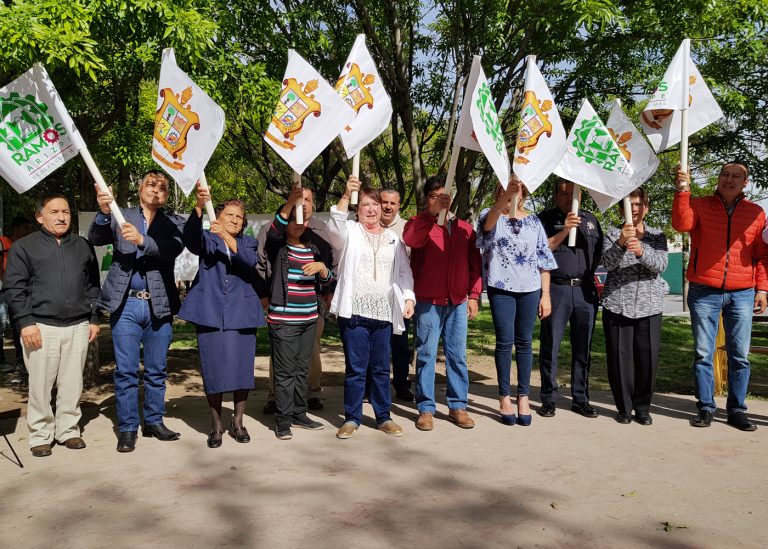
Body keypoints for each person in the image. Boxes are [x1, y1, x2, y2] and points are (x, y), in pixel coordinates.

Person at [89, 170, 185, 452]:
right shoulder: (123, 215)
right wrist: (105, 211)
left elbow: (172, 250)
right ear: (139, 188)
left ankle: (154, 421)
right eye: (150, 184)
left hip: (160, 303)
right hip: (126, 303)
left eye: (162, 186)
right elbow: (95, 237)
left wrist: (143, 241)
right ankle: (128, 427)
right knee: (126, 371)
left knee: (157, 369)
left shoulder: (172, 221)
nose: (156, 189)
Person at [3, 194, 100, 457]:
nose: (61, 217)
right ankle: (40, 434)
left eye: (66, 212)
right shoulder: (25, 247)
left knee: (72, 383)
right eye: (54, 211)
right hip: (40, 327)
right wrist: (25, 323)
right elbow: (14, 288)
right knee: (41, 384)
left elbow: (93, 285)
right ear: (40, 217)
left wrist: (93, 319)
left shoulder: (82, 246)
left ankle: (68, 430)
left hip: (78, 326)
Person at [674, 162, 767, 431]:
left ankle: (737, 410)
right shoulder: (700, 205)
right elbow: (681, 224)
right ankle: (705, 407)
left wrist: (762, 289)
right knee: (703, 352)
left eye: (736, 176)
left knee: (740, 355)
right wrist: (682, 192)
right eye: (725, 175)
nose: (729, 180)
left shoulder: (756, 214)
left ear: (745, 182)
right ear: (718, 178)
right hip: (704, 291)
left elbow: (762, 255)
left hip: (742, 292)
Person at [326, 176, 415, 439]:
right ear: (358, 208)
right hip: (354, 311)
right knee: (356, 368)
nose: (372, 209)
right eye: (366, 204)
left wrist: (408, 298)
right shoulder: (350, 232)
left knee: (380, 368)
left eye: (375, 204)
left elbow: (404, 272)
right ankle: (352, 418)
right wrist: (345, 195)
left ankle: (384, 417)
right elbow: (334, 228)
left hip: (384, 312)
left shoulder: (392, 239)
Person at [178, 185, 265, 448]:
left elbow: (249, 261)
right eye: (229, 215)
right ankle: (216, 424)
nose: (234, 220)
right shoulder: (208, 238)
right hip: (210, 313)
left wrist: (227, 236)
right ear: (218, 216)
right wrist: (197, 206)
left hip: (242, 313)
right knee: (213, 370)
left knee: (241, 370)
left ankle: (237, 422)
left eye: (239, 217)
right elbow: (191, 239)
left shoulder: (247, 242)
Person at [403, 176, 482, 431]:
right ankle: (426, 408)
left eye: (445, 196)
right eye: (436, 196)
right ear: (428, 199)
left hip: (457, 300)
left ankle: (458, 405)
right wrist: (431, 215)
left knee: (457, 356)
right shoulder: (418, 223)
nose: (442, 200)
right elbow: (411, 240)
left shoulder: (464, 229)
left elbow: (474, 265)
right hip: (429, 301)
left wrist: (474, 295)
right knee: (425, 354)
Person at [477, 177, 556, 426]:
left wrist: (545, 295)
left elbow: (543, 259)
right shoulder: (491, 215)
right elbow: (487, 229)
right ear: (498, 191)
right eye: (507, 188)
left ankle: (523, 395)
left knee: (524, 343)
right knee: (504, 343)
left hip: (530, 289)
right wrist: (504, 199)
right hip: (501, 288)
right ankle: (504, 397)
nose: (514, 193)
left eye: (518, 189)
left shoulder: (534, 221)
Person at [263, 188, 334, 440]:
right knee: (284, 373)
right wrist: (291, 203)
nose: (300, 224)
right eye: (295, 219)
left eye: (303, 219)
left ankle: (298, 412)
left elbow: (328, 280)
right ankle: (283, 420)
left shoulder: (313, 248)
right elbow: (273, 232)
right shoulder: (278, 248)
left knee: (302, 369)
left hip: (308, 319)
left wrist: (323, 270)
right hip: (284, 321)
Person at [536, 179, 603, 418]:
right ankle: (548, 398)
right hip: (556, 289)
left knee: (583, 347)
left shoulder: (591, 221)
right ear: (555, 196)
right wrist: (564, 230)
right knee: (550, 345)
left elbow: (597, 256)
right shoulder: (544, 219)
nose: (568, 198)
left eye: (573, 193)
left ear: (581, 196)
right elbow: (540, 251)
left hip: (584, 291)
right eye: (563, 194)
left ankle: (580, 398)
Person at [601, 188, 668, 425]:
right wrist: (620, 242)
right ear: (622, 209)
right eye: (630, 205)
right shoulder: (611, 233)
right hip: (617, 305)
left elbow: (660, 265)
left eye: (639, 204)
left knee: (647, 358)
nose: (635, 209)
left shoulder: (657, 235)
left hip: (650, 306)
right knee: (620, 359)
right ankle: (623, 407)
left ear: (646, 207)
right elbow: (607, 265)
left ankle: (642, 407)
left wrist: (641, 250)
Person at [368, 187, 413, 401]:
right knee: (374, 344)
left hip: (399, 295)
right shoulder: (367, 225)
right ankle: (371, 387)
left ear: (399, 205)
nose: (387, 207)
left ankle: (402, 384)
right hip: (373, 293)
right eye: (384, 202)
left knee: (400, 345)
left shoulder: (407, 228)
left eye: (392, 203)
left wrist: (408, 296)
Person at [0, 216, 34, 375]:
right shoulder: (3, 242)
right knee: (2, 325)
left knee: (17, 326)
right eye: (26, 228)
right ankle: (2, 361)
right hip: (3, 291)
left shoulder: (27, 246)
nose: (29, 231)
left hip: (19, 291)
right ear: (16, 228)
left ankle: (22, 362)